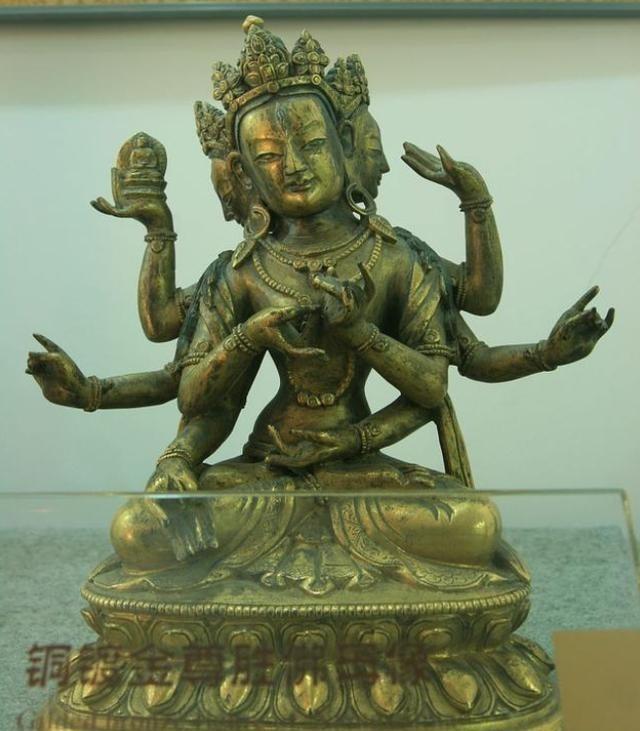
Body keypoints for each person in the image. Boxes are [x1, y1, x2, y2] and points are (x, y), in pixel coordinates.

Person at [28, 18, 612, 597]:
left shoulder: (396, 257)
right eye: (268, 155)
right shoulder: (241, 271)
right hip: (268, 470)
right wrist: (174, 440)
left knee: (473, 524)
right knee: (138, 530)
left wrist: (537, 348)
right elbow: (195, 396)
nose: (293, 166)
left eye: (310, 144)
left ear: (348, 146)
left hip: (365, 471)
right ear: (243, 175)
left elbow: (438, 381)